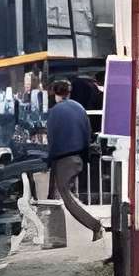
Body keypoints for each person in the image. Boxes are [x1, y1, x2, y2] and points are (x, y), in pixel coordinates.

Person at [41, 82, 91, 250]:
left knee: (64, 198)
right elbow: (87, 132)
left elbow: (52, 139)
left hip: (63, 159)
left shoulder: (54, 112)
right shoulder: (79, 108)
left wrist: (49, 160)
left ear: (54, 93)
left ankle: (95, 226)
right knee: (64, 197)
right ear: (69, 92)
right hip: (78, 157)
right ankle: (57, 237)